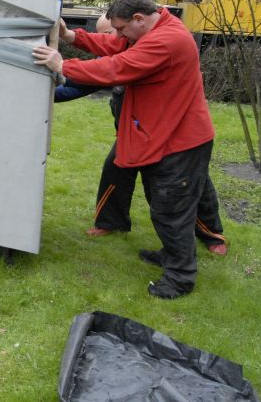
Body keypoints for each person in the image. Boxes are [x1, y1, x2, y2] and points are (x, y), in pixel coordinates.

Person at [33, 0, 218, 299]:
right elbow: (115, 46)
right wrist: (71, 35)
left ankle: (180, 278)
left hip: (181, 141)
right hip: (162, 135)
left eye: (121, 28)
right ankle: (173, 256)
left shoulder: (167, 41)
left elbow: (116, 67)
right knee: (162, 203)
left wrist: (62, 65)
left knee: (172, 209)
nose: (117, 34)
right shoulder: (152, 30)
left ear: (139, 19)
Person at [55, 15, 227, 255]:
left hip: (171, 135)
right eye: (108, 34)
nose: (114, 39)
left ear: (137, 24)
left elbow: (114, 69)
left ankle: (212, 234)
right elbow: (77, 85)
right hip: (133, 133)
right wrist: (43, 92)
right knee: (115, 169)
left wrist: (62, 64)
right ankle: (111, 222)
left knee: (192, 186)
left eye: (117, 32)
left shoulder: (150, 51)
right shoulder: (123, 48)